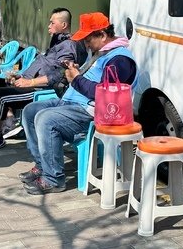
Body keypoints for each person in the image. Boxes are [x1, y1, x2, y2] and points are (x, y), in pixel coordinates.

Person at [19, 12, 137, 195]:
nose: (86, 44)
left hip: (90, 113)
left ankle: (54, 179)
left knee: (45, 118)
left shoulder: (120, 60)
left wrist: (77, 79)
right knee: (30, 111)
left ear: (103, 35)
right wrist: (74, 72)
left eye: (88, 39)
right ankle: (43, 165)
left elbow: (104, 96)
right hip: (70, 103)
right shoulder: (102, 52)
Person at [0, 7, 84, 154]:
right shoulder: (57, 42)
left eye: (52, 23)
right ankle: (9, 121)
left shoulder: (68, 45)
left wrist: (30, 82)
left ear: (63, 25)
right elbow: (43, 64)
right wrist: (21, 76)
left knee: (0, 95)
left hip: (43, 90)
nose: (49, 26)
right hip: (30, 82)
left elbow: (61, 74)